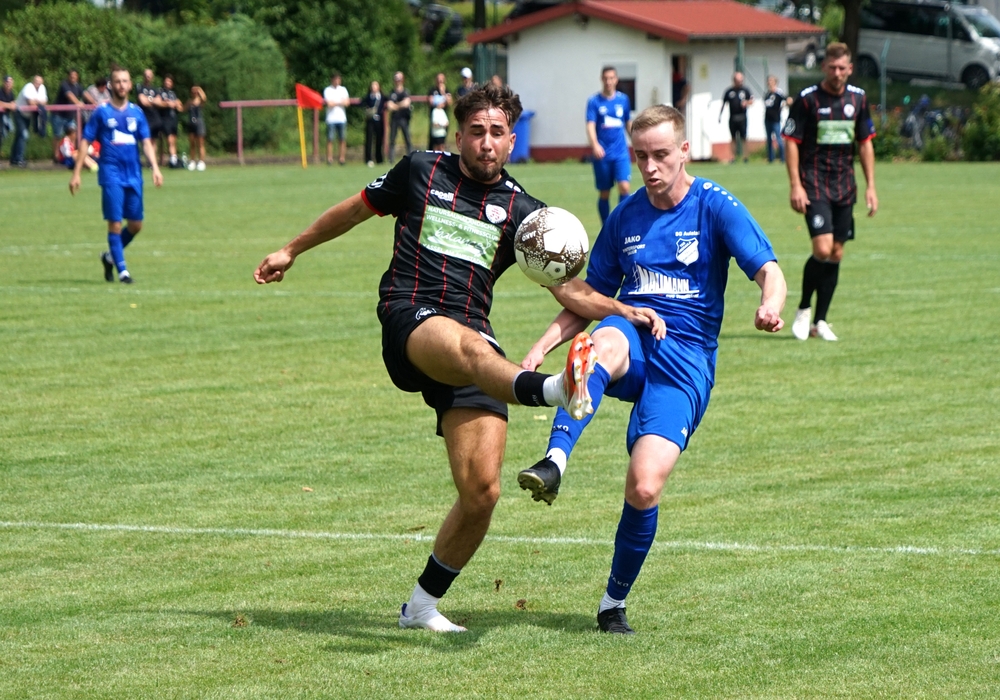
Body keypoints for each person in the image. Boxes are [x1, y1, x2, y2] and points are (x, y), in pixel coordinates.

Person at [253, 83, 653, 634]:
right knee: (471, 348)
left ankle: (420, 607)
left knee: (482, 491)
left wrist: (620, 308)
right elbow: (354, 209)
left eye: (497, 133)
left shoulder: (525, 213)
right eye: (476, 131)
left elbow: (568, 289)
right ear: (459, 134)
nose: (486, 142)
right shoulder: (420, 169)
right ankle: (555, 390)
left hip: (472, 338)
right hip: (410, 316)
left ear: (511, 140)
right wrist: (291, 249)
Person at [517, 104, 786, 635]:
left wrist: (770, 305)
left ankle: (611, 603)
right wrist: (544, 344)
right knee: (602, 340)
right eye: (640, 156)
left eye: (660, 154)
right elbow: (590, 296)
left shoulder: (715, 206)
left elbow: (769, 270)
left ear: (685, 151)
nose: (649, 166)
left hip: (686, 362)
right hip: (634, 337)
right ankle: (554, 461)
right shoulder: (625, 216)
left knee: (643, 487)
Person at [783, 42, 878, 342]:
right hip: (814, 183)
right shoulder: (807, 99)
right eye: (832, 67)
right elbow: (791, 141)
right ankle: (803, 309)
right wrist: (796, 185)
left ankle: (820, 321)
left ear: (850, 69)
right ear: (824, 67)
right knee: (822, 249)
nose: (837, 73)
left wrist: (871, 186)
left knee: (836, 253)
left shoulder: (858, 99)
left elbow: (865, 143)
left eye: (842, 68)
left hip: (844, 186)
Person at [69, 66, 163, 285]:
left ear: (130, 85)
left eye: (125, 81)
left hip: (134, 175)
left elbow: (146, 142)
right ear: (111, 85)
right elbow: (85, 141)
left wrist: (155, 168)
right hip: (111, 174)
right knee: (115, 223)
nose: (121, 85)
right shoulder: (101, 112)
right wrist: (77, 173)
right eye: (117, 81)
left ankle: (109, 257)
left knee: (136, 225)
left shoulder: (137, 112)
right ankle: (123, 272)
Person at [586, 66, 632, 226]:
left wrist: (637, 141)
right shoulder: (594, 101)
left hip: (621, 153)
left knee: (624, 187)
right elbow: (590, 125)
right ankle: (606, 226)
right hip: (603, 154)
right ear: (601, 79)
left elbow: (628, 122)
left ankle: (622, 223)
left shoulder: (623, 100)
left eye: (611, 78)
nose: (608, 81)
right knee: (604, 193)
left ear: (616, 80)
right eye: (606, 78)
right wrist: (595, 145)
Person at [10, 75, 47, 168]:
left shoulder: (42, 88)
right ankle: (19, 159)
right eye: (36, 82)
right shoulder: (28, 87)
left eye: (40, 82)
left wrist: (36, 102)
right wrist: (39, 102)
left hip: (28, 115)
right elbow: (30, 102)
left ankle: (13, 159)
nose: (38, 84)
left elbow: (45, 102)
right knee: (24, 135)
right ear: (33, 81)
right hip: (19, 113)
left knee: (19, 136)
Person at [719, 72, 753, 163]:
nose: (741, 82)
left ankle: (745, 157)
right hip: (733, 117)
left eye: (741, 80)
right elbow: (724, 103)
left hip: (742, 117)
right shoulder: (729, 91)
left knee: (744, 137)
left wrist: (746, 102)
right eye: (739, 80)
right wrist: (720, 115)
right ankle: (732, 157)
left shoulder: (745, 90)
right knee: (733, 138)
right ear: (734, 80)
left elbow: (752, 101)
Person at [53, 69, 84, 163]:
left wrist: (94, 102)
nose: (73, 77)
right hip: (59, 115)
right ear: (68, 76)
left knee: (73, 134)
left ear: (77, 77)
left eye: (75, 75)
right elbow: (69, 95)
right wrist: (78, 103)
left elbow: (85, 94)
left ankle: (72, 154)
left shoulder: (78, 86)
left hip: (70, 116)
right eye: (71, 75)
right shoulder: (64, 85)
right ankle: (56, 156)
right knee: (58, 135)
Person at [136, 69, 164, 165]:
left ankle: (152, 162)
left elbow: (159, 102)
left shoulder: (156, 89)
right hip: (144, 117)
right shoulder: (140, 88)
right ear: (143, 76)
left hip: (155, 118)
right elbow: (142, 101)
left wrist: (148, 99)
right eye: (146, 75)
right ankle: (147, 160)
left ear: (152, 77)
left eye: (149, 75)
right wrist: (153, 100)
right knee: (145, 139)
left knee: (154, 140)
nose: (148, 77)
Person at [386, 71, 413, 163]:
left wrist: (396, 105)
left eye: (399, 79)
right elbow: (389, 106)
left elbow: (406, 103)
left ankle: (411, 157)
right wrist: (400, 105)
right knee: (392, 139)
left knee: (407, 139)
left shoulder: (405, 92)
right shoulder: (392, 92)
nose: (398, 81)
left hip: (404, 118)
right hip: (394, 119)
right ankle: (391, 159)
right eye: (396, 79)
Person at [158, 75, 184, 169]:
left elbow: (180, 106)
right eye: (166, 81)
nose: (167, 83)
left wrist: (178, 104)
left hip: (173, 118)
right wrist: (167, 104)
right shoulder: (161, 92)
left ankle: (174, 158)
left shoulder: (173, 93)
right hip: (166, 118)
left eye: (169, 81)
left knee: (174, 139)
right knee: (169, 140)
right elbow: (158, 103)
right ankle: (172, 159)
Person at [324, 73, 349, 166]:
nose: (337, 81)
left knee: (342, 139)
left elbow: (347, 102)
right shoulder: (328, 90)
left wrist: (335, 102)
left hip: (341, 118)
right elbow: (329, 103)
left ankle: (342, 158)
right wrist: (340, 102)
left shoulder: (343, 89)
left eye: (339, 79)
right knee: (330, 139)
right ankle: (329, 159)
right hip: (331, 119)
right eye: (335, 79)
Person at [362, 80, 386, 167]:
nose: (374, 87)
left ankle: (379, 158)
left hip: (379, 120)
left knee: (379, 139)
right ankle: (368, 158)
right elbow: (362, 102)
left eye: (375, 85)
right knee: (369, 139)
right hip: (370, 120)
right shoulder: (369, 97)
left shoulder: (382, 97)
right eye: (372, 86)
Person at [427, 72, 452, 150]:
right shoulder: (432, 90)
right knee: (433, 140)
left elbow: (449, 102)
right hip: (434, 117)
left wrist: (443, 93)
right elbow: (431, 101)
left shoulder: (447, 91)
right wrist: (442, 103)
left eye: (441, 80)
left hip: (443, 117)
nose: (439, 82)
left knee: (442, 141)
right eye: (438, 80)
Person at [185, 85, 207, 171]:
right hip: (191, 123)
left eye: (195, 91)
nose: (194, 93)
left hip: (199, 123)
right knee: (192, 144)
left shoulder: (200, 101)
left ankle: (201, 161)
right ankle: (192, 161)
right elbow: (183, 108)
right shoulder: (189, 101)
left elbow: (204, 98)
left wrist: (199, 89)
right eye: (192, 91)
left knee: (200, 144)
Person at [0, 76, 15, 160]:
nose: (8, 84)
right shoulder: (0, 91)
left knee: (5, 134)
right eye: (7, 82)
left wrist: (10, 105)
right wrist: (9, 105)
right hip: (1, 117)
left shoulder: (11, 93)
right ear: (3, 83)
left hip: (6, 116)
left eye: (10, 82)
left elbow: (13, 103)